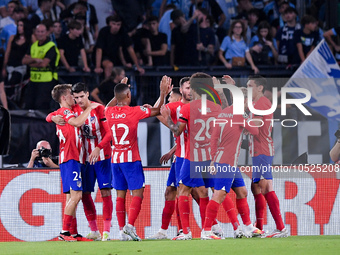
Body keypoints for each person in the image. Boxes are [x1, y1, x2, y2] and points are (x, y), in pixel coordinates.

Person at [105, 75, 170, 241]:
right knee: (138, 193)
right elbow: (157, 111)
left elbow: (108, 105)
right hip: (131, 159)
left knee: (120, 195)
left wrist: (119, 90)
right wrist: (162, 94)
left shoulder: (110, 112)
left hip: (115, 159)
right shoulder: (134, 111)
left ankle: (122, 231)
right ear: (128, 96)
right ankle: (130, 227)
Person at [47, 82, 114, 241]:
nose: (77, 99)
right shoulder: (72, 110)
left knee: (104, 192)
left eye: (80, 96)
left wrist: (99, 147)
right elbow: (59, 115)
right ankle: (84, 231)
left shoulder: (98, 108)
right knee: (82, 195)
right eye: (74, 96)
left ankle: (106, 232)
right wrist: (51, 117)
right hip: (82, 159)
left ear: (87, 94)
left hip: (102, 156)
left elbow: (109, 134)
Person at [160, 72, 223, 240]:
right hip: (209, 157)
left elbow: (177, 131)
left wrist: (168, 119)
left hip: (191, 156)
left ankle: (186, 232)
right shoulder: (217, 108)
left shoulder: (187, 108)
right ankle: (207, 231)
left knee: (183, 191)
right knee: (204, 192)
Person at [202, 86, 264, 240]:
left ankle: (248, 227)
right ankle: (206, 231)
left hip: (224, 161)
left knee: (242, 191)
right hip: (227, 162)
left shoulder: (223, 113)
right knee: (219, 195)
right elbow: (255, 131)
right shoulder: (239, 115)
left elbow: (214, 138)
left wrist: (212, 160)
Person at [147, 78, 191, 240]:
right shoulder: (182, 109)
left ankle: (203, 227)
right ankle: (165, 231)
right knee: (171, 192)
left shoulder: (178, 106)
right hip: (179, 156)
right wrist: (172, 150)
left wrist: (163, 95)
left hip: (185, 158)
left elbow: (155, 110)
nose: (170, 99)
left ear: (178, 98)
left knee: (189, 193)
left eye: (172, 96)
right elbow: (182, 136)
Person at [246, 75, 288, 238]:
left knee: (265, 187)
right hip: (257, 150)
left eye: (250, 86)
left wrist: (240, 123)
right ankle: (259, 227)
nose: (248, 89)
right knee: (256, 187)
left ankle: (280, 228)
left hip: (262, 150)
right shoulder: (257, 104)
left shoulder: (262, 103)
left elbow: (255, 128)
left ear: (260, 88)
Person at [22, 23, 59, 110]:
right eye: (38, 31)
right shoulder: (33, 45)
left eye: (42, 32)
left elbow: (43, 64)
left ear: (46, 32)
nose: (40, 34)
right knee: (29, 104)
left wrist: (30, 62)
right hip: (33, 80)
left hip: (47, 81)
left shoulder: (51, 46)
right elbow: (24, 61)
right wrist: (35, 59)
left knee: (41, 105)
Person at [94, 14, 144, 79]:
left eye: (118, 24)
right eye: (114, 24)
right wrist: (98, 67)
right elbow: (99, 50)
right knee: (109, 65)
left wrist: (137, 66)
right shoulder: (104, 31)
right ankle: (108, 85)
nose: (116, 27)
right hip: (103, 56)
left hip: (115, 57)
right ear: (109, 24)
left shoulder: (122, 32)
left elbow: (130, 49)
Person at [2, 18, 32, 85]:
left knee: (14, 82)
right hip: (10, 65)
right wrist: (4, 67)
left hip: (21, 66)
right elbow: (7, 53)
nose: (19, 28)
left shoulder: (31, 38)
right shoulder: (12, 37)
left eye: (21, 25)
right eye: (18, 25)